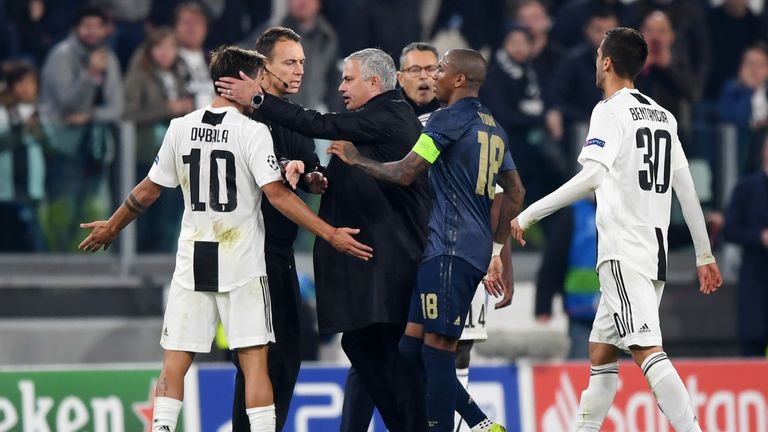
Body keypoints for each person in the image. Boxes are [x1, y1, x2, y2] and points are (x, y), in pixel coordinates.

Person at [78, 46, 372, 432]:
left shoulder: (180, 127)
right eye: (257, 80)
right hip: (242, 260)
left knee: (175, 361)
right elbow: (278, 195)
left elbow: (149, 190)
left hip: (193, 259)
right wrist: (328, 232)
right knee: (255, 360)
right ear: (239, 83)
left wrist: (112, 226)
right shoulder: (252, 132)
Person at [509, 27, 723, 432]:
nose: (595, 62)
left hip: (623, 251)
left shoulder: (609, 110)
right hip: (652, 253)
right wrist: (704, 254)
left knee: (647, 351)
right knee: (601, 351)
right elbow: (687, 190)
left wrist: (529, 213)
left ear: (606, 62)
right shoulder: (664, 116)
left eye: (597, 56)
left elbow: (591, 177)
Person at [216, 47, 431, 432]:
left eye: (349, 79)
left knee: (387, 349)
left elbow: (318, 124)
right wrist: (318, 177)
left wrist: (258, 99)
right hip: (374, 259)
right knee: (367, 346)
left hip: (390, 260)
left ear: (375, 83)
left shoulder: (388, 112)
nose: (341, 87)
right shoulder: (373, 121)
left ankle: (418, 425)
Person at [327, 48, 525, 432]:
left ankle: (453, 426)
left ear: (460, 80)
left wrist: (357, 160)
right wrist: (498, 250)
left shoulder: (445, 121)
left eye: (440, 69)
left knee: (439, 350)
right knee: (407, 348)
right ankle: (479, 422)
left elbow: (406, 173)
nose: (434, 76)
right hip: (463, 249)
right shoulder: (493, 127)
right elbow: (514, 191)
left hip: (448, 248)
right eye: (423, 70)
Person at [230, 26, 328, 432]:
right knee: (258, 359)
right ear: (264, 66)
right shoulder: (243, 115)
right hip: (248, 251)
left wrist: (311, 176)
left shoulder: (292, 116)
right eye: (290, 62)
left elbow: (307, 164)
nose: (299, 70)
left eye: (303, 62)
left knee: (288, 354)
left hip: (280, 252)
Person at [39, 5, 123, 251]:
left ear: (106, 30)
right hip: (64, 145)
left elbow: (116, 108)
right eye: (87, 26)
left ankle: (88, 263)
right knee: (63, 209)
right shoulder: (61, 55)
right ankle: (57, 264)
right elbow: (67, 103)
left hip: (96, 145)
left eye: (98, 27)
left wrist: (89, 116)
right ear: (77, 28)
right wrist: (91, 73)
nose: (92, 32)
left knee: (94, 209)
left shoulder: (109, 57)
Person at [123, 26, 194, 252]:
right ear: (150, 50)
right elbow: (128, 113)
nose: (165, 53)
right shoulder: (138, 75)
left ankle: (163, 260)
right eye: (159, 47)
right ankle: (142, 261)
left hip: (175, 156)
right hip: (145, 155)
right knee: (145, 215)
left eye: (170, 47)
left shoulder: (179, 74)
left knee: (169, 215)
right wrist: (167, 108)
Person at [534, 197, 599, 359]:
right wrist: (543, 305)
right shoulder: (574, 213)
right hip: (581, 310)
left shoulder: (623, 209)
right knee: (582, 369)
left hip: (620, 312)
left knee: (622, 370)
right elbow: (554, 258)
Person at [723, 136, 768, 357]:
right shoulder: (745, 188)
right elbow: (730, 229)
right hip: (756, 280)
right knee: (753, 347)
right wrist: (759, 237)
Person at [0, 60, 47, 252]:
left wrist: (39, 131)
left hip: (32, 187)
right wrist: (21, 129)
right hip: (6, 189)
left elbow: (52, 146)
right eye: (22, 83)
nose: (27, 88)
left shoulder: (41, 110)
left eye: (31, 82)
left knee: (32, 242)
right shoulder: (3, 112)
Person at [397, 42, 441, 125]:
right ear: (401, 78)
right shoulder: (387, 113)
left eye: (430, 69)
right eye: (415, 70)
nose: (423, 76)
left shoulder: (453, 112)